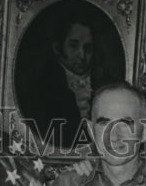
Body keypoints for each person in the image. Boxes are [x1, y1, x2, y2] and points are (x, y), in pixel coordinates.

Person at [18, 10, 117, 151]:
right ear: (57, 48)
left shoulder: (105, 83)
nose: (82, 55)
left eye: (88, 48)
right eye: (73, 45)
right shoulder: (41, 89)